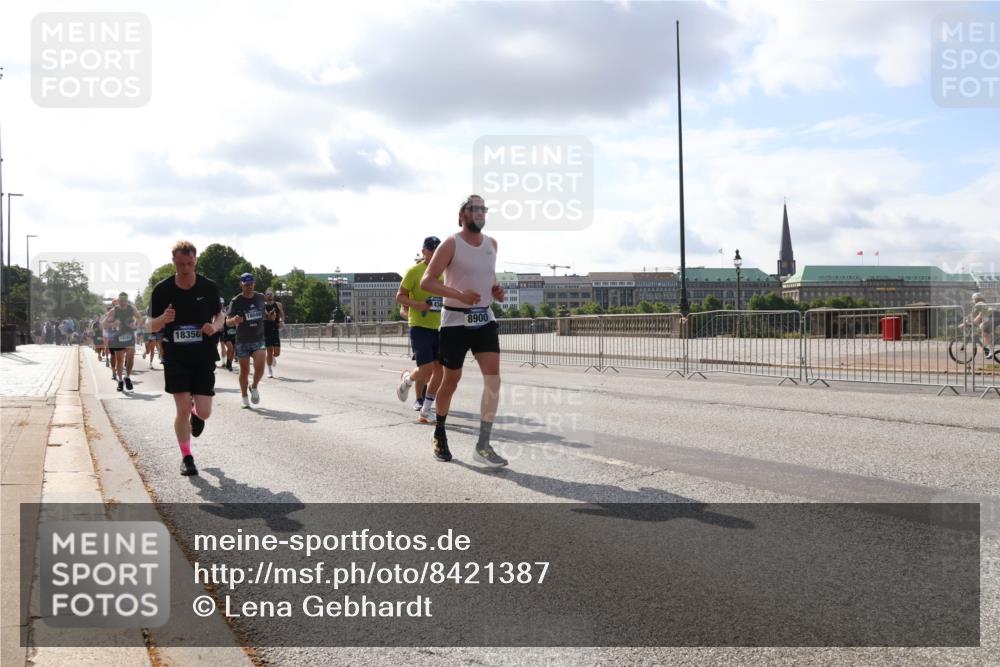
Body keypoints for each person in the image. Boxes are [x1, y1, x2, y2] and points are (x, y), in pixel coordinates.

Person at [419, 194, 507, 466]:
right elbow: (427, 282)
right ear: (462, 216)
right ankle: (440, 431)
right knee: (451, 381)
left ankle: (483, 445)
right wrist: (457, 293)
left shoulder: (492, 244)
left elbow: (488, 278)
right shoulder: (451, 243)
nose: (480, 212)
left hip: (484, 320)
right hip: (455, 321)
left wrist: (496, 290)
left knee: (493, 380)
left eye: (483, 209)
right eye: (474, 208)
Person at [149, 240, 224, 476]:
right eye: (181, 264)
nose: (185, 268)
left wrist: (215, 326)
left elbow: (220, 314)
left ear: (196, 260)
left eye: (190, 263)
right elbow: (148, 325)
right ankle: (187, 457)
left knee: (205, 412)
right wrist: (163, 319)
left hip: (203, 357)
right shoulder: (162, 290)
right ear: (174, 262)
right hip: (176, 356)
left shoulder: (208, 287)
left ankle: (196, 414)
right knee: (181, 408)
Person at [396, 236, 445, 423]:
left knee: (439, 370)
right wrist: (418, 305)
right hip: (419, 326)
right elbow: (400, 297)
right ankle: (408, 380)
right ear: (424, 251)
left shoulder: (444, 273)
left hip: (439, 327)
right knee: (426, 368)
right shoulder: (414, 271)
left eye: (437, 250)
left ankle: (426, 409)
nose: (434, 254)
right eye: (431, 250)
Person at [227, 273, 267, 408]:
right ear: (241, 285)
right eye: (246, 285)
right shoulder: (236, 301)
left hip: (258, 338)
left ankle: (254, 386)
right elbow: (227, 322)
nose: (249, 287)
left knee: (260, 366)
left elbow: (264, 314)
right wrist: (234, 320)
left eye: (251, 284)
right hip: (243, 340)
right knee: (244, 371)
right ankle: (244, 396)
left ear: (254, 284)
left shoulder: (260, 297)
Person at [103, 292, 141, 392]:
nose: (123, 303)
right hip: (118, 337)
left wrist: (135, 325)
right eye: (121, 301)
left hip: (129, 336)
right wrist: (113, 323)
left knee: (130, 358)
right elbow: (104, 324)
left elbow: (139, 318)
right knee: (119, 360)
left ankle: (127, 377)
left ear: (127, 300)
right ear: (118, 301)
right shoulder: (113, 310)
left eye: (124, 301)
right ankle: (120, 381)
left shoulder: (131, 308)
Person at [263, 289, 285, 378]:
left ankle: (273, 357)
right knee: (269, 350)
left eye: (271, 294)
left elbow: (282, 315)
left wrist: (282, 321)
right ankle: (269, 370)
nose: (269, 295)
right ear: (265, 296)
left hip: (275, 329)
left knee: (277, 353)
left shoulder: (278, 304)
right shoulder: (262, 305)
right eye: (268, 294)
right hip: (266, 329)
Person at [972, 293, 996, 360]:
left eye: (973, 299)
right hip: (992, 318)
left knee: (983, 330)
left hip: (993, 318)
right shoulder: (982, 304)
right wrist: (973, 321)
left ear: (975, 299)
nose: (972, 301)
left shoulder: (978, 304)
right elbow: (979, 316)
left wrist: (965, 322)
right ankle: (989, 347)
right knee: (983, 329)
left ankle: (990, 350)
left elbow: (972, 314)